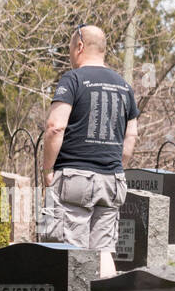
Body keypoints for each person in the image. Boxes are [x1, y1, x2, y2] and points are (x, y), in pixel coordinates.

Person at [39, 24, 139, 277]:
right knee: (104, 250)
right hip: (112, 179)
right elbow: (132, 135)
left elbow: (55, 127)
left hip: (75, 178)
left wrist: (48, 168)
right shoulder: (124, 86)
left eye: (70, 48)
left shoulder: (72, 80)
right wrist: (117, 166)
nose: (70, 54)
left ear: (80, 46)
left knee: (69, 249)